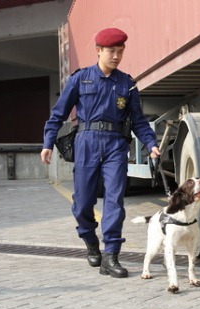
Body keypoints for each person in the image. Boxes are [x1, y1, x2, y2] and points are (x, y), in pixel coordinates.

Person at [40, 28, 161, 278]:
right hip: (86, 142)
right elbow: (58, 114)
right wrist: (47, 143)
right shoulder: (80, 79)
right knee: (83, 203)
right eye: (111, 51)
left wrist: (151, 143)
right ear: (98, 51)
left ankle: (111, 256)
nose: (116, 56)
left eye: (120, 51)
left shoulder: (127, 84)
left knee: (115, 200)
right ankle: (90, 240)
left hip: (116, 144)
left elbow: (138, 121)